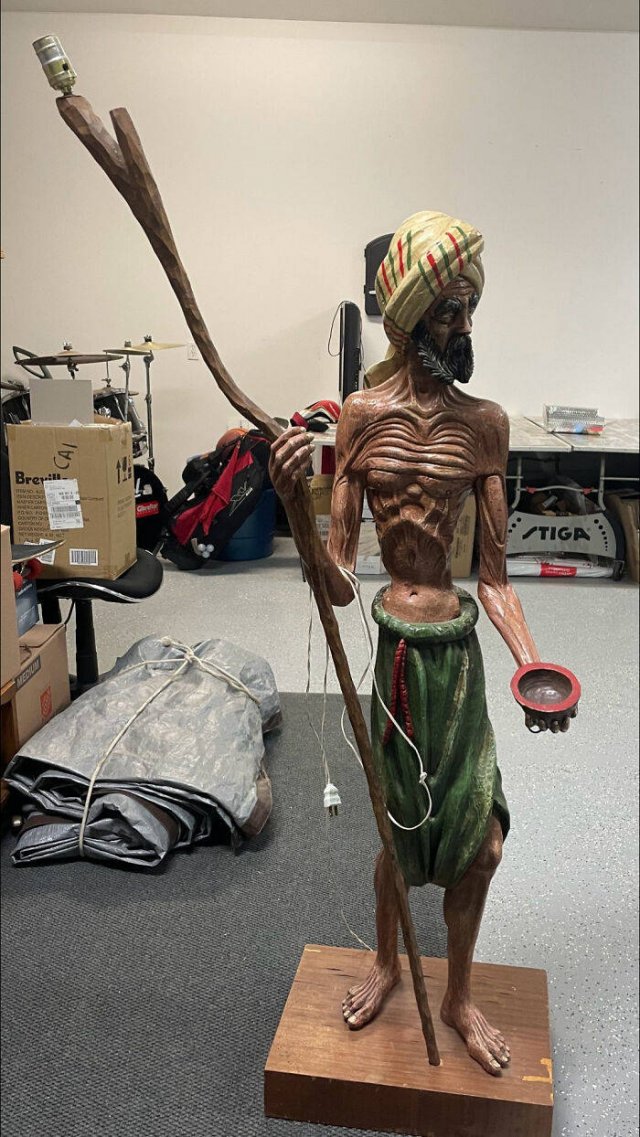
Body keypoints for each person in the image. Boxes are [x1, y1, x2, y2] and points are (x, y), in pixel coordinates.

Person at [269, 210, 575, 1076]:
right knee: (399, 837)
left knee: (483, 845)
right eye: (448, 308)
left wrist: (532, 663)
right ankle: (387, 960)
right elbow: (338, 580)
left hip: (458, 659)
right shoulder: (361, 418)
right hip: (397, 655)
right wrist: (296, 509)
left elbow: (496, 578)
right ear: (407, 319)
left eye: (471, 306)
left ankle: (459, 994)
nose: (465, 325)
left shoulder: (486, 425)